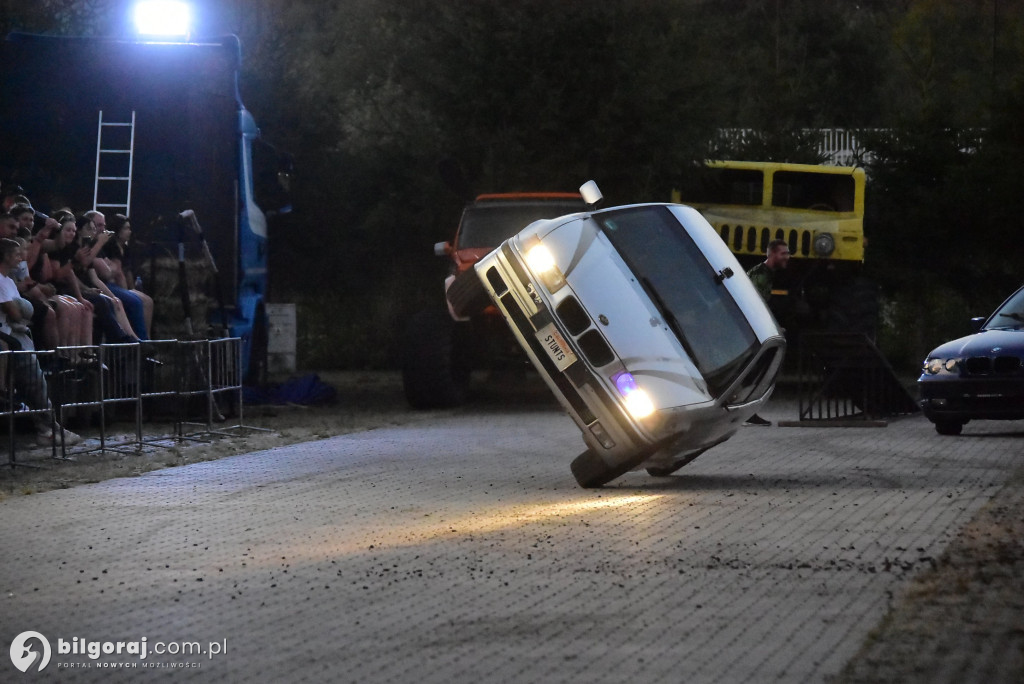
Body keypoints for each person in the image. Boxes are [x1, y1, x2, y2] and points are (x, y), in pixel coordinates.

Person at [0, 238, 81, 446]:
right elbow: (15, 313)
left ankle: (48, 426)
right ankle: (46, 428)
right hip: (9, 334)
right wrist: (23, 310)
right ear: (6, 256)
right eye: (16, 254)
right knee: (33, 382)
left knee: (37, 384)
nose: (20, 258)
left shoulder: (8, 280)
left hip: (18, 333)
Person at [744, 238, 790, 426]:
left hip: (752, 329)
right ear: (771, 254)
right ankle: (748, 411)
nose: (788, 257)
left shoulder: (765, 274)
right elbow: (756, 305)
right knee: (754, 370)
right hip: (751, 330)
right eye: (783, 253)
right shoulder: (760, 275)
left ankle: (749, 411)